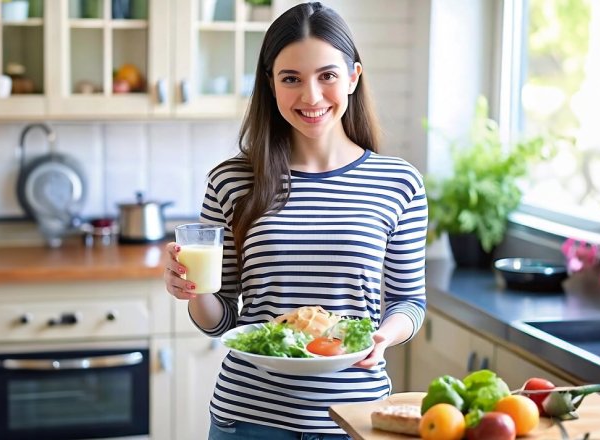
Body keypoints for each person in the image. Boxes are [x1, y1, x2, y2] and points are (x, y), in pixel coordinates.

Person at [163, 2, 428, 438]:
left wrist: (383, 337)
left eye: (327, 76)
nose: (311, 96)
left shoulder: (398, 182)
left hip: (354, 416)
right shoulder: (231, 180)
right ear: (270, 85)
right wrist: (192, 290)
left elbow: (408, 303)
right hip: (249, 419)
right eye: (291, 79)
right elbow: (222, 318)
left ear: (353, 77)